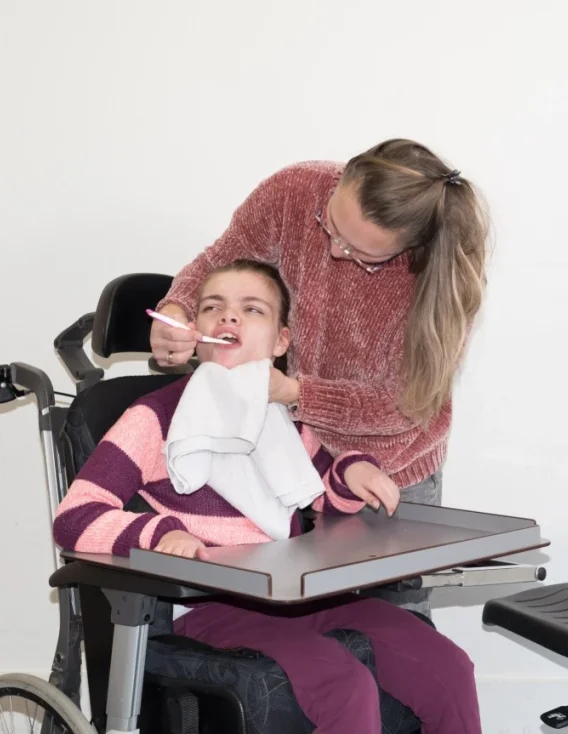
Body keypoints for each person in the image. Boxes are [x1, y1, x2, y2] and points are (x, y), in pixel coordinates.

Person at [52, 260, 482, 734]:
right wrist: (159, 533)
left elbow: (325, 498)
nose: (229, 318)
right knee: (345, 686)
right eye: (213, 307)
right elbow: (74, 517)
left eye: (251, 309)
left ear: (281, 341)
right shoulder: (153, 419)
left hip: (299, 596)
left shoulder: (285, 420)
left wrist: (350, 473)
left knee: (449, 665)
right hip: (212, 608)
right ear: (195, 331)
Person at [148, 139, 490, 616]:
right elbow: (220, 262)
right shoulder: (294, 191)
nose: (333, 248)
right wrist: (175, 309)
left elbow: (406, 408)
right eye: (329, 224)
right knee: (307, 622)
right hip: (295, 455)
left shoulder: (440, 284)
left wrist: (295, 392)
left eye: (361, 254)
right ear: (341, 178)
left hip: (388, 474)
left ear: (413, 248)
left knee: (395, 627)